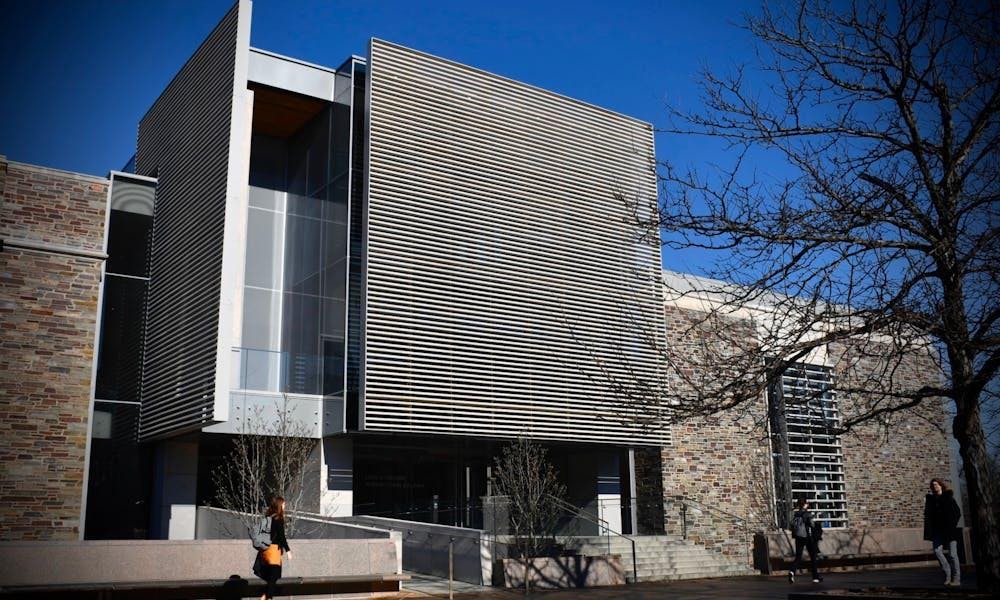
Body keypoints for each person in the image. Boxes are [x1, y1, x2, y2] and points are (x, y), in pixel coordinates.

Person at [924, 478, 961, 586]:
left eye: (936, 484)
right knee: (937, 551)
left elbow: (957, 513)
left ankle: (956, 579)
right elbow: (928, 516)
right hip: (937, 531)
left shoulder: (948, 497)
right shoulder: (931, 500)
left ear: (941, 486)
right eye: (933, 485)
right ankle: (947, 573)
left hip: (950, 530)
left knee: (953, 554)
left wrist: (951, 524)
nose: (934, 486)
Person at [257, 496, 292, 600]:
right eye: (284, 504)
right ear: (280, 505)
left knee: (270, 576)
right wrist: (288, 550)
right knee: (275, 576)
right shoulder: (278, 518)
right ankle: (266, 597)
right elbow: (281, 537)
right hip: (274, 550)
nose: (285, 506)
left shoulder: (269, 517)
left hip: (265, 550)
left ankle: (267, 596)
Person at [788, 497, 822, 584]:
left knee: (798, 557)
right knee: (813, 556)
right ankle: (815, 577)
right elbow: (812, 524)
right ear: (804, 504)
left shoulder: (796, 514)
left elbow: (792, 525)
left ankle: (792, 571)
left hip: (798, 537)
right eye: (807, 503)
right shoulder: (806, 514)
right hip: (807, 537)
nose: (808, 504)